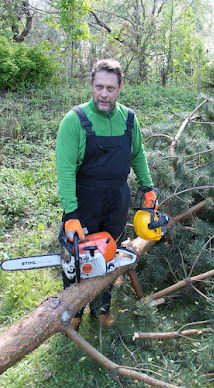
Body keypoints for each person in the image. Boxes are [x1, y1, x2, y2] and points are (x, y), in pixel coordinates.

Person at [56, 59, 156, 330]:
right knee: (76, 260)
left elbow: (138, 155)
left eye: (110, 88)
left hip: (117, 200)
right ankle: (73, 311)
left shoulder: (129, 119)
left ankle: (102, 309)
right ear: (91, 84)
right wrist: (71, 214)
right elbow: (65, 171)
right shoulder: (75, 120)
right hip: (83, 201)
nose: (104, 94)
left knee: (108, 257)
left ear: (120, 88)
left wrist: (148, 188)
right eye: (99, 86)